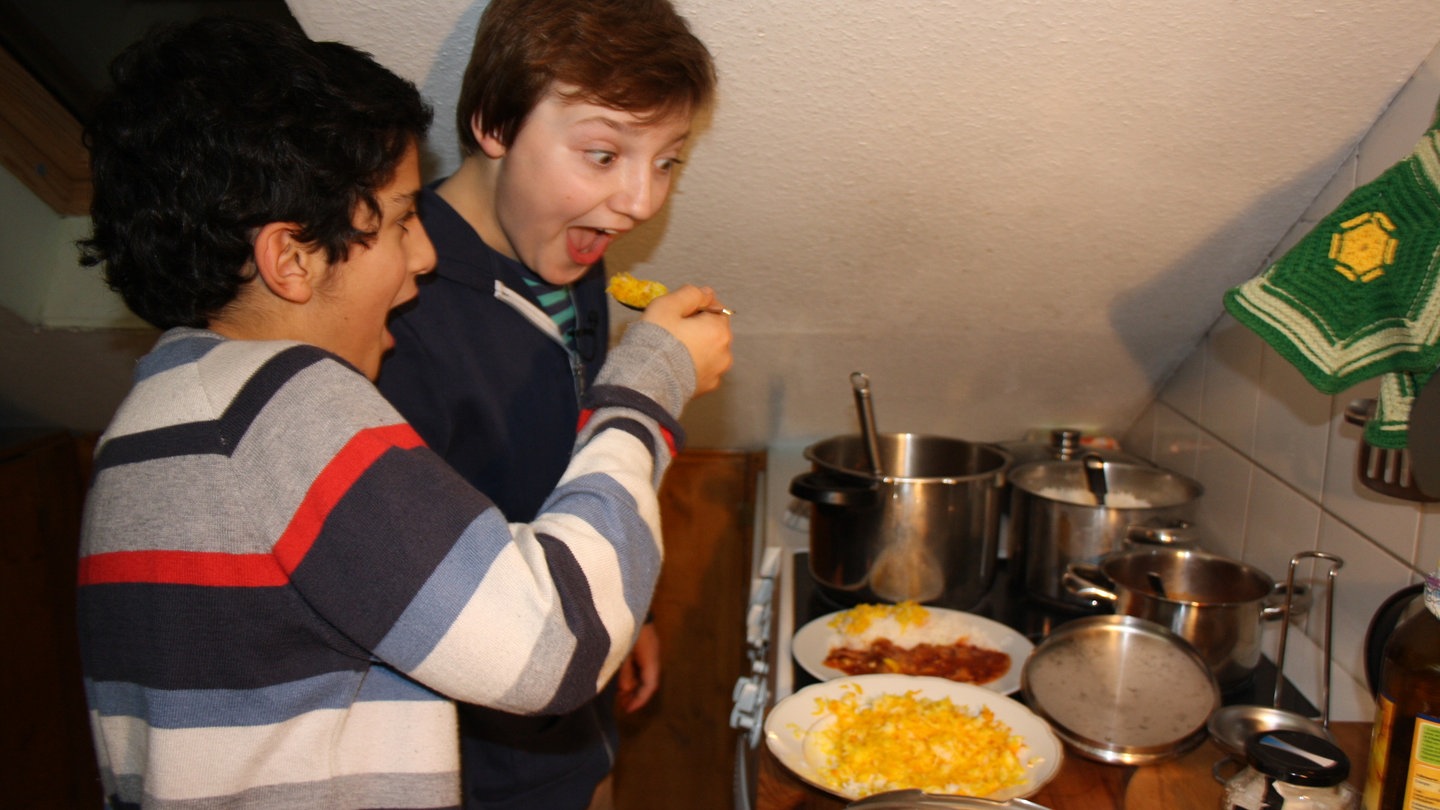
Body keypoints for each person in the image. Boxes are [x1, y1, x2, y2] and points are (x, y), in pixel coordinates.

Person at [74, 15, 732, 810]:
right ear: (289, 257)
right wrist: (650, 383)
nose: (422, 255)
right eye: (397, 221)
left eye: (668, 162)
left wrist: (633, 602)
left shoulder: (163, 412)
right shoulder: (292, 413)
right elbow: (550, 644)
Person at [375, 1, 717, 807]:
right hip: (477, 773)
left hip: (579, 725)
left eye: (668, 161)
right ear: (494, 124)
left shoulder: (571, 253)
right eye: (603, 153)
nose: (639, 200)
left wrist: (633, 603)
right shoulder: (397, 313)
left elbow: (578, 455)